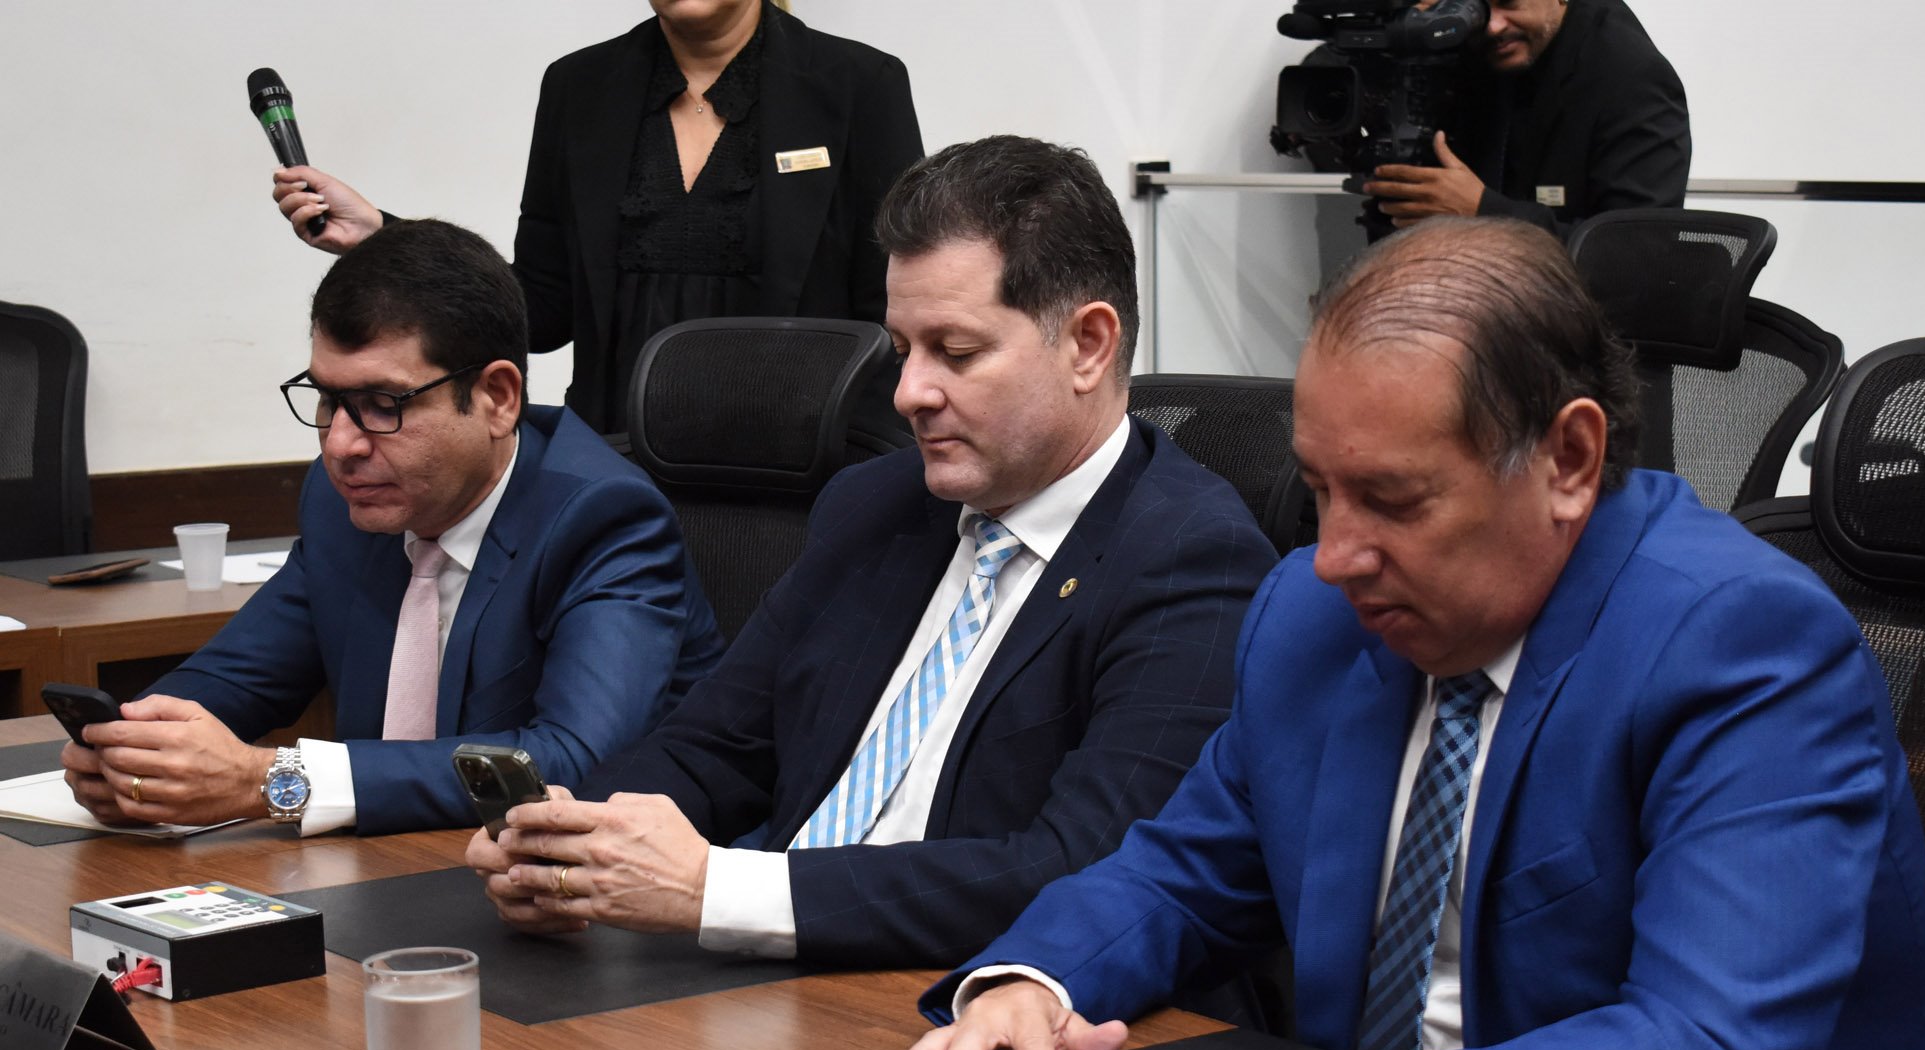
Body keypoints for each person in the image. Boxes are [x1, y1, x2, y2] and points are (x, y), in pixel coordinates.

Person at [873, 215, 1925, 1050]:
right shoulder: (1313, 616)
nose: (1333, 554)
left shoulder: (1741, 643)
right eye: (1319, 490)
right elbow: (1181, 873)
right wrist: (1033, 985)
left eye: (1392, 499)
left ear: (1567, 460)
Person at [466, 136, 1277, 969]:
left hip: (972, 997)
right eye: (901, 350)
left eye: (955, 353)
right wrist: (570, 837)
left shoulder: (1192, 559)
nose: (908, 392)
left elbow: (1080, 871)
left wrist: (716, 889)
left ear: (1089, 345)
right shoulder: (877, 503)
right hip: (766, 985)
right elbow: (714, 747)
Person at [61, 220, 726, 836]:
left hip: (586, 889)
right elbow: (239, 678)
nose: (341, 445)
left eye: (382, 405)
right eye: (328, 399)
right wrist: (134, 747)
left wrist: (274, 780)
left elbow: (570, 760)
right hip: (392, 868)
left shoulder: (603, 519)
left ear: (497, 398)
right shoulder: (347, 502)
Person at [272, 0, 924, 436]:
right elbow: (541, 310)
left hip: (802, 470)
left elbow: (895, 310)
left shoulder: (860, 84)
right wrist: (382, 236)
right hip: (618, 465)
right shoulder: (579, 87)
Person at [1360, 0, 1690, 236]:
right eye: (1477, 7)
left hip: (1581, 308)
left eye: (1509, 3)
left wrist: (1485, 213)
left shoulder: (1630, 77)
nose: (1493, 26)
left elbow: (1639, 252)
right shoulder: (1471, 44)